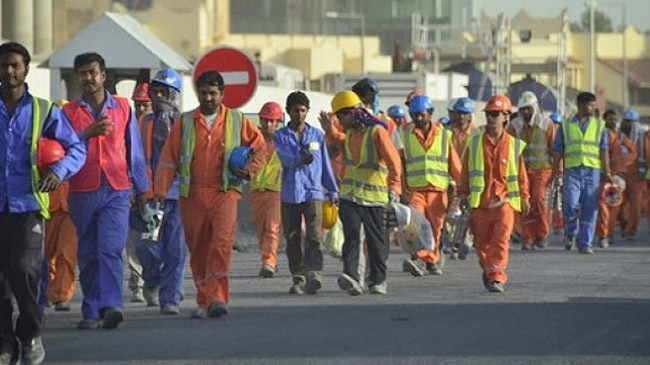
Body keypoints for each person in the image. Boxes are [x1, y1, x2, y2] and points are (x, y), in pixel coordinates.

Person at [154, 71, 266, 319]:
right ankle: (205, 299)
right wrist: (160, 191)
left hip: (224, 193)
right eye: (204, 93)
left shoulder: (237, 120)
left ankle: (218, 298)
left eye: (213, 93)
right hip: (191, 196)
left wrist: (247, 171)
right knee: (200, 249)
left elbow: (260, 149)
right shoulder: (185, 123)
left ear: (222, 94)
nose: (208, 98)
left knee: (221, 244)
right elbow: (168, 159)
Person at [0, 41, 86, 365]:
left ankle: (30, 333)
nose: (8, 71)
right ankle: (5, 345)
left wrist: (59, 171)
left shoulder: (45, 110)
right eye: (3, 65)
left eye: (15, 65)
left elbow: (76, 149)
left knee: (23, 271)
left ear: (25, 69)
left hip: (28, 205)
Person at [63, 52, 149, 329]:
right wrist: (84, 134)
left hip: (117, 189)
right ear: (78, 77)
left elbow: (135, 151)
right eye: (83, 73)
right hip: (82, 189)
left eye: (93, 72)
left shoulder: (123, 107)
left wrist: (142, 189)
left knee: (111, 248)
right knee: (88, 253)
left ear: (103, 75)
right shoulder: (68, 112)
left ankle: (112, 305)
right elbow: (59, 149)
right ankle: (91, 309)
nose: (89, 78)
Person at [320, 91, 402, 296]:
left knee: (376, 242)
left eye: (342, 116)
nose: (340, 121)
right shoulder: (349, 135)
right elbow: (341, 144)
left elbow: (394, 162)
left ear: (354, 113)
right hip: (350, 196)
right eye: (337, 117)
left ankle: (377, 280)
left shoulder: (376, 132)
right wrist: (330, 131)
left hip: (374, 199)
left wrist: (395, 189)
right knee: (352, 237)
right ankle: (352, 277)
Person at [458, 95, 530, 293]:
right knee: (481, 244)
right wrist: (463, 194)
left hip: (504, 202)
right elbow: (465, 171)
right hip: (480, 202)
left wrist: (525, 197)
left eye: (495, 114)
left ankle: (497, 276)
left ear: (506, 116)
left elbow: (521, 174)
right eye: (488, 114)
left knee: (500, 240)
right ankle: (489, 270)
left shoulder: (515, 145)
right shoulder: (474, 143)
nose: (491, 118)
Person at [132, 69, 187, 315]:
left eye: (164, 92)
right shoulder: (143, 122)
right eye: (156, 91)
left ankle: (170, 297)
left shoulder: (185, 124)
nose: (159, 97)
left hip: (178, 194)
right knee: (147, 247)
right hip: (149, 195)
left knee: (175, 249)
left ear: (174, 95)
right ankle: (152, 280)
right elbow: (134, 157)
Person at [274, 92, 338, 295]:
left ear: (307, 111)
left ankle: (314, 273)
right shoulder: (281, 136)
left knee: (313, 234)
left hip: (313, 191)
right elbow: (285, 158)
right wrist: (300, 159)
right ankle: (298, 276)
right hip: (291, 193)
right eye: (295, 110)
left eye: (303, 110)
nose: (299, 114)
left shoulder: (317, 135)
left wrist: (332, 189)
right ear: (288, 112)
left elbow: (325, 163)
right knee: (292, 237)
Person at [400, 95, 461, 277]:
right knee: (416, 224)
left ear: (430, 114)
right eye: (414, 115)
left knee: (436, 227)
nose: (418, 118)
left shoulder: (444, 136)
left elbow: (455, 164)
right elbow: (400, 167)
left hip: (438, 190)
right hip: (415, 190)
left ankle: (432, 260)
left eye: (421, 114)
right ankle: (420, 257)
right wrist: (401, 190)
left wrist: (462, 186)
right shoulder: (405, 137)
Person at [552, 92, 611, 254]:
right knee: (569, 204)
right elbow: (558, 149)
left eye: (594, 105)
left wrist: (607, 172)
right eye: (590, 105)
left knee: (590, 208)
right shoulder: (565, 125)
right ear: (580, 106)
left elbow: (604, 150)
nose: (593, 108)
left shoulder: (599, 125)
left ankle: (585, 243)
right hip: (572, 170)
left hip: (593, 172)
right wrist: (554, 170)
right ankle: (572, 232)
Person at [506, 92, 557, 250]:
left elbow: (555, 149)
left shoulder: (547, 124)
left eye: (528, 109)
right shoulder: (514, 126)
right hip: (521, 171)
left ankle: (541, 234)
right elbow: (506, 147)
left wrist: (558, 171)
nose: (525, 113)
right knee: (523, 204)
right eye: (522, 109)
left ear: (534, 108)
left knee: (538, 200)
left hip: (542, 170)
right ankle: (527, 238)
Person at [250, 101, 284, 278]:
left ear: (278, 122)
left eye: (272, 121)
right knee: (261, 230)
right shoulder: (253, 139)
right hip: (256, 191)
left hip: (276, 191)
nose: (269, 125)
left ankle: (268, 262)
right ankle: (270, 259)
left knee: (272, 227)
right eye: (265, 120)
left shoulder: (284, 141)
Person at [126, 83, 151, 304]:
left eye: (145, 104)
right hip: (134, 193)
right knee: (133, 242)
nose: (141, 108)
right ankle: (138, 286)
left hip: (158, 194)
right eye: (138, 104)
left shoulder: (166, 125)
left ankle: (155, 283)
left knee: (154, 243)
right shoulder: (128, 124)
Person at [596, 110, 632, 247]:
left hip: (618, 177)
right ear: (604, 120)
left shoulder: (620, 137)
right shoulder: (603, 135)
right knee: (603, 206)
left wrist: (624, 167)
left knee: (614, 208)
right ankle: (603, 235)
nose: (612, 121)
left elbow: (632, 153)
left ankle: (608, 234)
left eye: (614, 119)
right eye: (610, 119)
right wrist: (607, 171)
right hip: (606, 175)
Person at [44, 181, 77, 312]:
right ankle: (46, 289)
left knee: (67, 253)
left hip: (72, 204)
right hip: (45, 203)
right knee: (44, 254)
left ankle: (62, 295)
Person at [619, 108, 646, 241]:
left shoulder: (643, 137)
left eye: (630, 122)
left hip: (637, 175)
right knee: (620, 201)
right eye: (626, 121)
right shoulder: (619, 137)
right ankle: (623, 224)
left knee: (635, 204)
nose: (627, 124)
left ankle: (631, 230)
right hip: (621, 173)